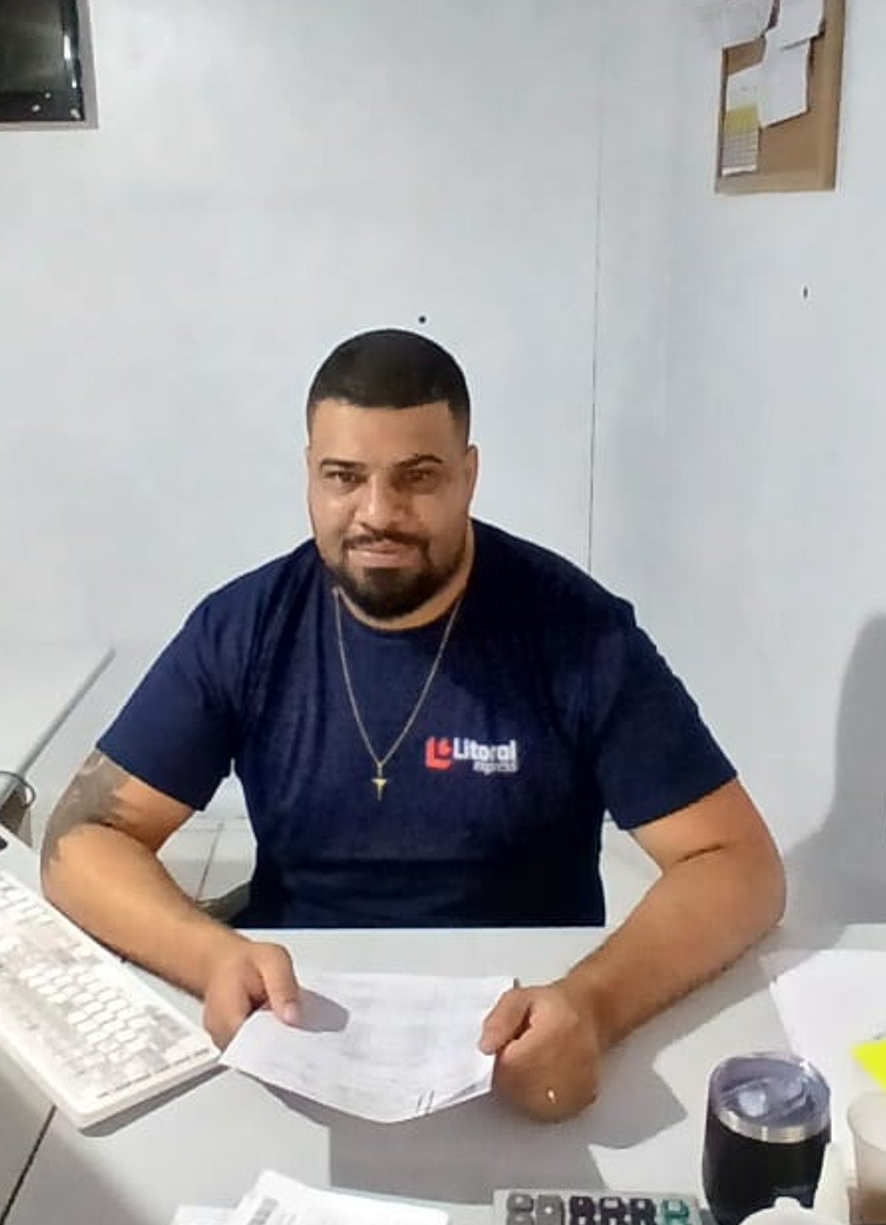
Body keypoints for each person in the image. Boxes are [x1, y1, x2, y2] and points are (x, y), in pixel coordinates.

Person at [42, 328, 784, 1120]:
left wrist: (594, 1005)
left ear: (469, 475)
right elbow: (81, 841)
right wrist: (211, 958)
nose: (377, 513)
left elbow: (738, 866)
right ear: (309, 476)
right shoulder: (245, 628)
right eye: (344, 477)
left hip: (524, 1027)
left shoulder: (578, 634)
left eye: (417, 478)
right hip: (299, 1018)